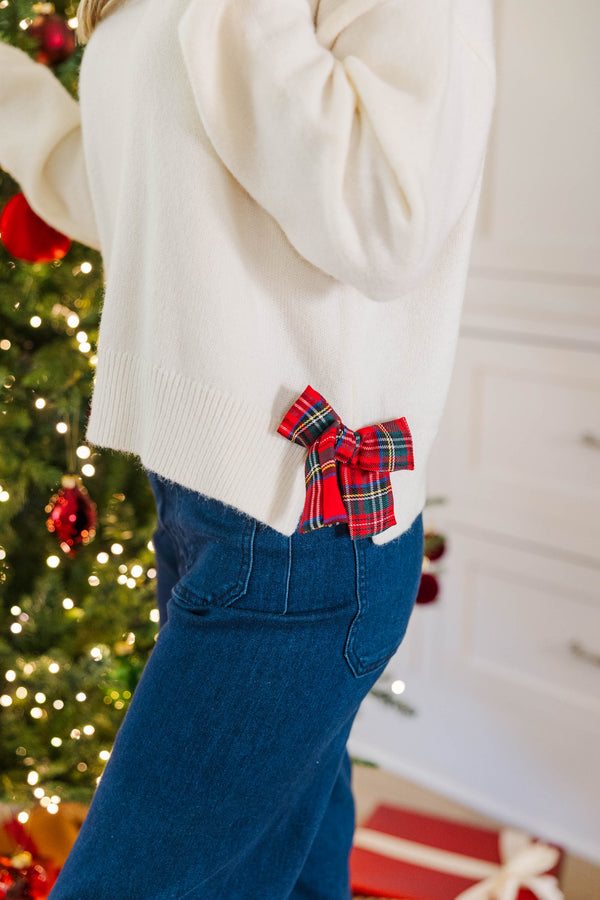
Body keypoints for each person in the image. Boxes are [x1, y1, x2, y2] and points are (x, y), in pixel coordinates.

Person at [0, 0, 496, 896]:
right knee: (297, 878)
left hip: (304, 529)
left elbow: (388, 220)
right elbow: (155, 196)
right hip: (204, 504)